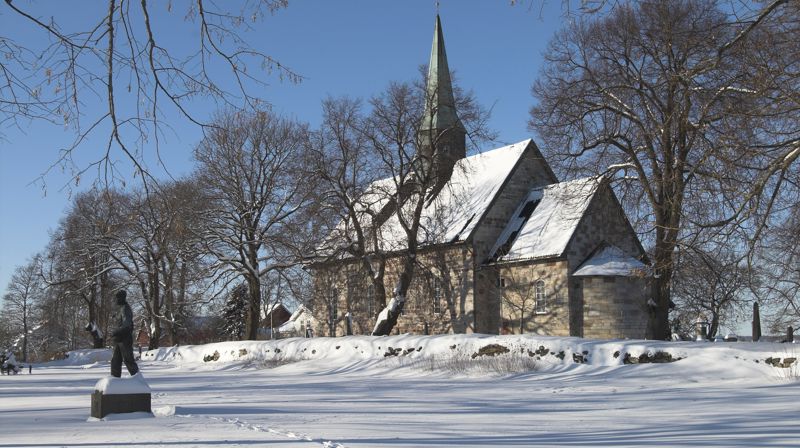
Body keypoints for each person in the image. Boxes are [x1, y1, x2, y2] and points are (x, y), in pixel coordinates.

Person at [110, 290, 140, 378]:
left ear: (123, 298)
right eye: (116, 298)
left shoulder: (125, 308)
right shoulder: (118, 308)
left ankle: (137, 379)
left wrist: (117, 331)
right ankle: (115, 380)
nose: (117, 299)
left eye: (119, 298)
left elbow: (127, 324)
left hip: (125, 338)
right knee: (115, 360)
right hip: (118, 339)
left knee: (128, 360)